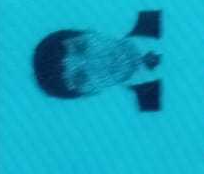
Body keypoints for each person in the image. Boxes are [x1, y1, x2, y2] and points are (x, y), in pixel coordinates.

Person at [32, 10, 162, 110]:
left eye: (81, 47)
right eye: (81, 77)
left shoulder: (158, 15)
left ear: (91, 32)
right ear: (91, 93)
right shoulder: (154, 108)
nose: (97, 62)